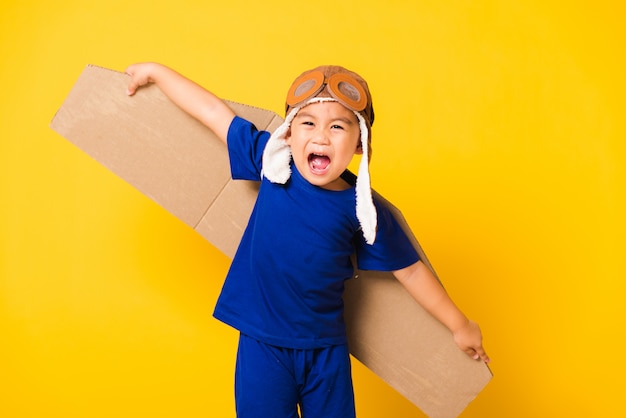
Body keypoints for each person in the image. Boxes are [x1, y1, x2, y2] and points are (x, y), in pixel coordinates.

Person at [125, 62, 490, 418]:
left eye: (337, 126)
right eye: (308, 124)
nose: (320, 136)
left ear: (360, 142)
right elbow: (212, 112)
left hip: (325, 351)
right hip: (262, 343)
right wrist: (156, 72)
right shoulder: (271, 164)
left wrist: (460, 326)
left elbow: (410, 272)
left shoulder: (363, 208)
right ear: (289, 133)